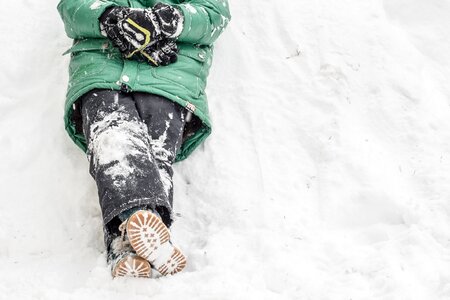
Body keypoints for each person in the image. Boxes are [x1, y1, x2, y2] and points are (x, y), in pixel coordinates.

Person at [57, 0, 230, 278]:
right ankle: (147, 231)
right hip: (104, 73)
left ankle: (123, 245)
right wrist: (110, 18)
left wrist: (169, 21)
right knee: (114, 135)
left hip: (168, 79)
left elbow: (213, 15)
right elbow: (73, 8)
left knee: (153, 150)